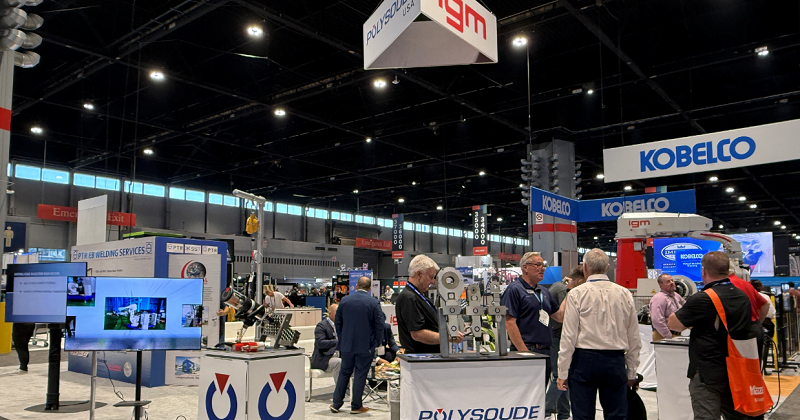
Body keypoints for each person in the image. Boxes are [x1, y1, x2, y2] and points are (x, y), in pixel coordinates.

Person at [668, 251, 756, 420]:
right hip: (737, 370)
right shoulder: (741, 296)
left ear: (704, 271)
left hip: (707, 371)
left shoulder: (703, 298)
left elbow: (674, 324)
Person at [557, 249, 640, 420]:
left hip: (583, 362)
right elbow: (633, 336)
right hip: (615, 361)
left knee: (582, 416)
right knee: (617, 416)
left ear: (585, 267)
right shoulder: (624, 293)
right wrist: (632, 372)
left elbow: (568, 336)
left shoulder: (576, 294)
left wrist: (562, 372)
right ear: (607, 268)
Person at [501, 252, 564, 383]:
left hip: (545, 351)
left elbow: (559, 316)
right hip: (527, 350)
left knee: (541, 391)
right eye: (537, 264)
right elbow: (509, 322)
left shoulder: (544, 292)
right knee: (524, 391)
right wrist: (525, 352)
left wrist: (570, 291)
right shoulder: (514, 290)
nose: (542, 268)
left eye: (543, 265)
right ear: (525, 267)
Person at [330, 277, 385, 415]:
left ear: (356, 286)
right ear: (369, 288)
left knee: (344, 372)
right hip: (365, 345)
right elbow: (379, 324)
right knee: (360, 373)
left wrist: (342, 338)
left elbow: (338, 322)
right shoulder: (373, 302)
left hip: (347, 344)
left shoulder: (345, 301)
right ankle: (356, 405)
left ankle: (336, 403)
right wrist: (377, 342)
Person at [396, 254, 464, 354]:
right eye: (431, 277)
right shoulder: (409, 298)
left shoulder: (421, 296)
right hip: (419, 357)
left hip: (430, 355)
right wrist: (448, 337)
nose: (432, 281)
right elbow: (418, 334)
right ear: (419, 274)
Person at [545, 265, 585, 420]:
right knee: (559, 375)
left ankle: (564, 413)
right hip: (558, 336)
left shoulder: (560, 286)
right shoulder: (564, 290)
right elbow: (565, 316)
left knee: (563, 376)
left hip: (557, 335)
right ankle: (545, 409)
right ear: (579, 281)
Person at [649, 273, 686, 341]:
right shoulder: (659, 298)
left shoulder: (676, 295)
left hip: (676, 334)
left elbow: (686, 307)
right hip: (663, 335)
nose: (672, 283)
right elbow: (657, 320)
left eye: (672, 280)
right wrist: (668, 336)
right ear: (661, 285)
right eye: (668, 281)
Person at [311, 304, 341, 383]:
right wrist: (338, 342)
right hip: (324, 359)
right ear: (330, 314)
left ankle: (353, 387)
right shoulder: (321, 326)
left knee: (353, 360)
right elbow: (320, 343)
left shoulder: (340, 326)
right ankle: (341, 389)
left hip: (338, 355)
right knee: (339, 363)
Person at [751, 279, 776, 373]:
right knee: (765, 347)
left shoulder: (748, 296)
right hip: (765, 322)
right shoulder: (765, 296)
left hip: (752, 323)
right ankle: (762, 369)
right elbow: (771, 312)